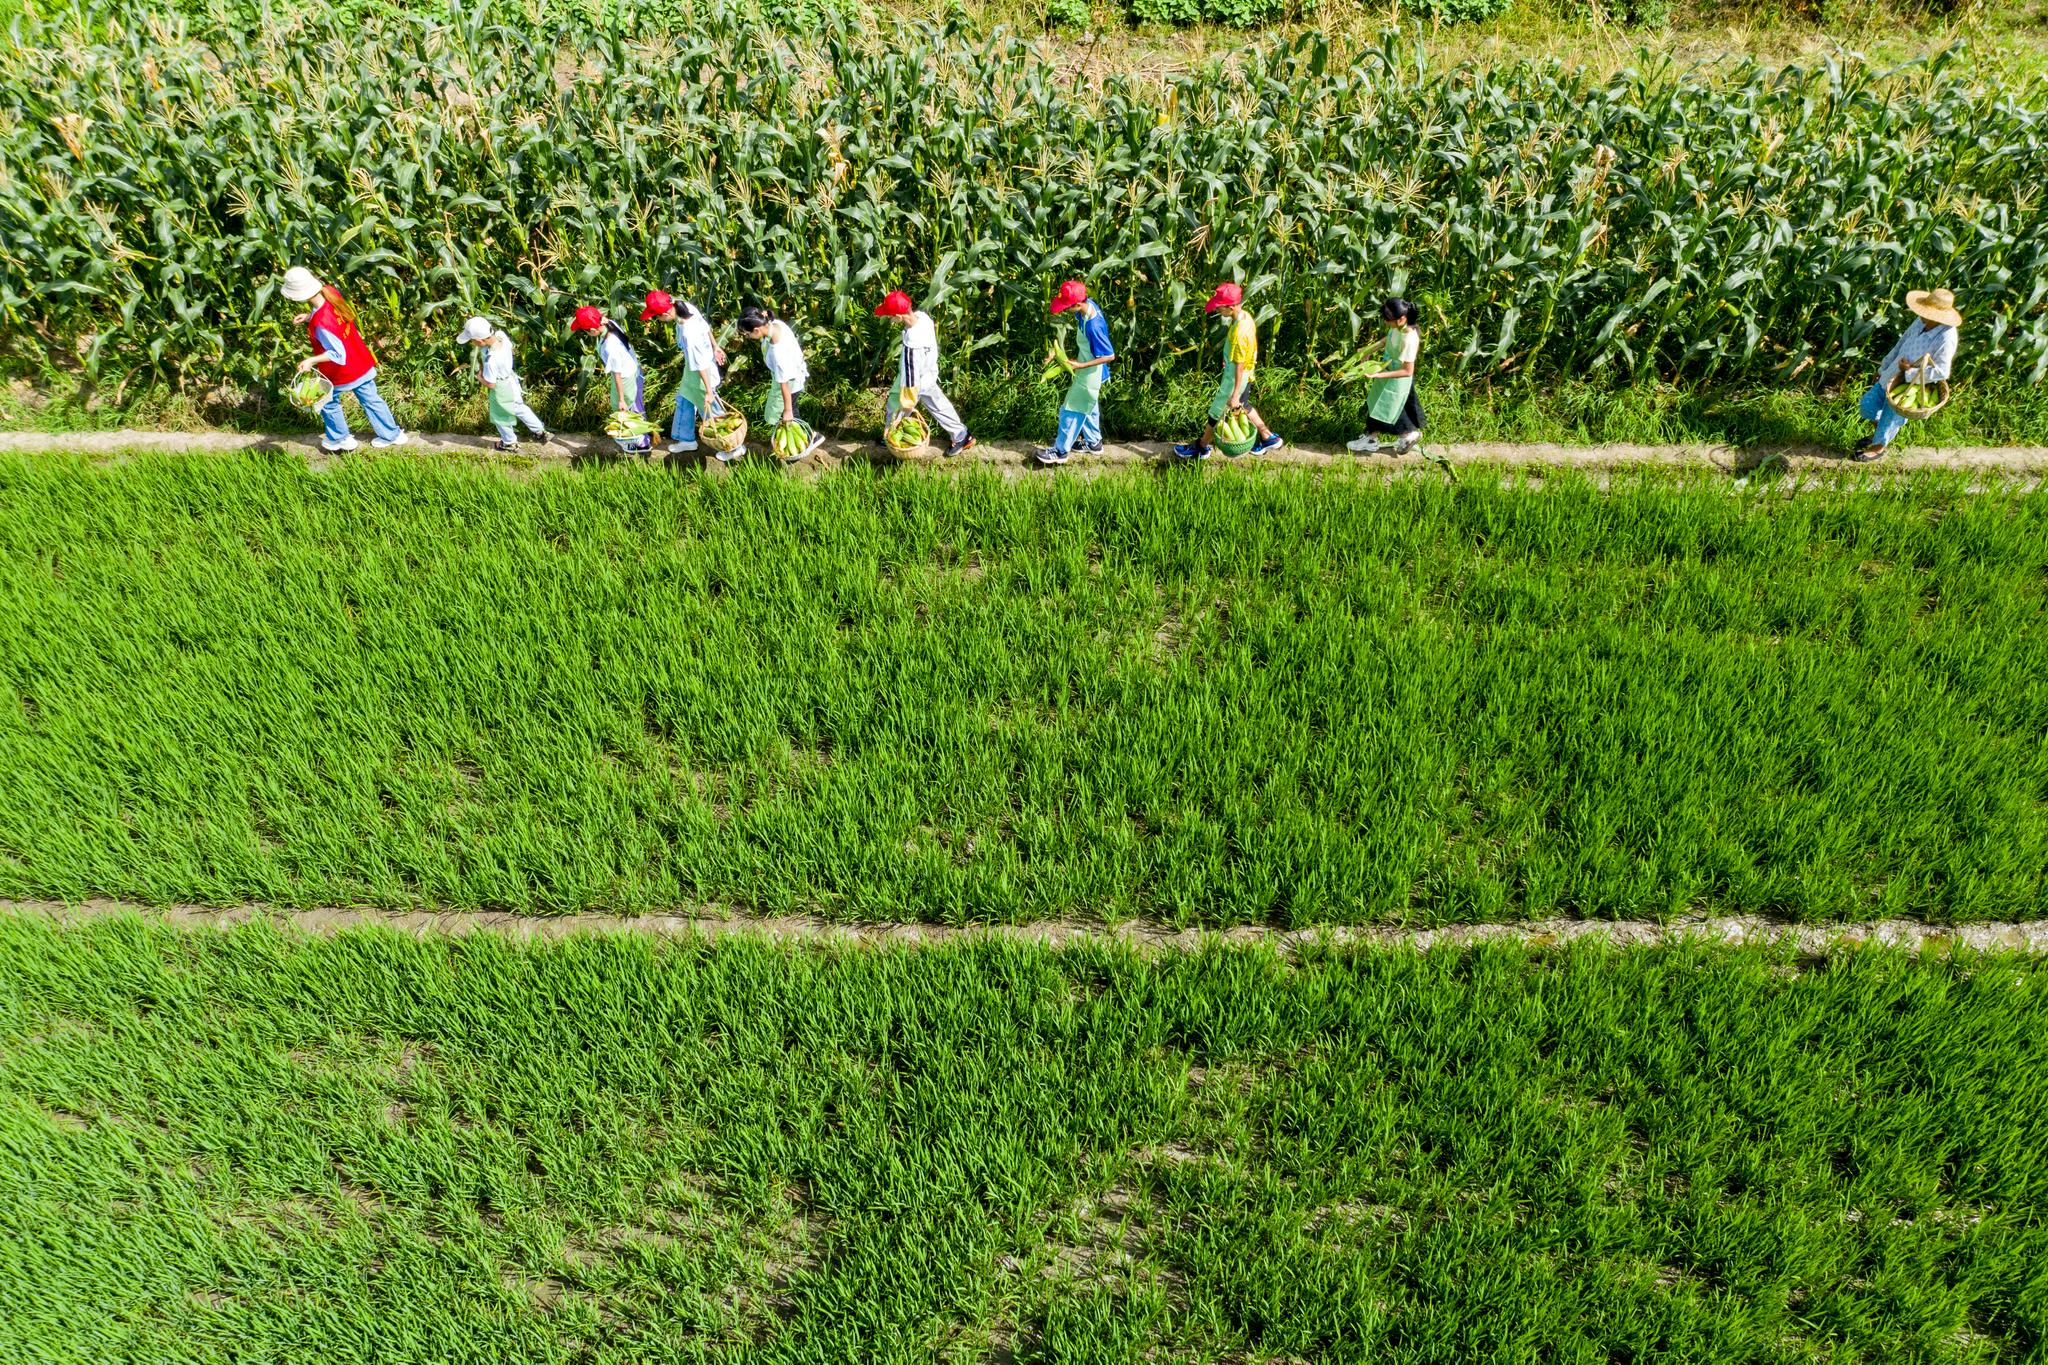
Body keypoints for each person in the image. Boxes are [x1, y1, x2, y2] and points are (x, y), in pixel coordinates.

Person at [279, 266, 407, 451]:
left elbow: (338, 355)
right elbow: (332, 318)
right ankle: (392, 434)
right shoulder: (329, 292)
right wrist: (309, 317)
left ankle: (340, 439)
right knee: (372, 400)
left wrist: (311, 361)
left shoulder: (322, 325)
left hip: (343, 372)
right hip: (361, 361)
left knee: (327, 402)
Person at [1173, 282, 1282, 461]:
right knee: (1245, 406)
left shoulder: (1239, 332)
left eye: (1220, 308)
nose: (1218, 311)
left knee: (1216, 412)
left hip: (1235, 378)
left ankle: (1201, 448)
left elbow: (1239, 365)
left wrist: (1234, 395)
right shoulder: (1246, 317)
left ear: (1230, 308)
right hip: (1247, 370)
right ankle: (1267, 436)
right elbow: (1250, 349)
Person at [1855, 288, 1961, 461]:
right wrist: (1883, 368)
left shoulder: (1946, 336)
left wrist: (1909, 372)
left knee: (1891, 417)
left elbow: (1942, 371)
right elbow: (1900, 345)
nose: (1921, 313)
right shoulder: (1920, 321)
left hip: (1912, 385)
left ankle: (1879, 447)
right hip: (1891, 374)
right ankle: (1880, 434)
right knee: (1868, 406)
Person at [875, 289, 975, 458]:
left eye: (889, 315)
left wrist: (908, 401)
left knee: (897, 404)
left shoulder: (911, 348)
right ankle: (962, 435)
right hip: (929, 370)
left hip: (915, 381)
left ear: (898, 317)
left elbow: (910, 379)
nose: (888, 318)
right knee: (938, 405)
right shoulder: (923, 318)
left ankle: (891, 436)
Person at [1035, 279, 1115, 467]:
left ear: (1078, 304)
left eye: (1066, 307)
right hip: (1089, 370)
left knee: (1071, 410)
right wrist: (1056, 352)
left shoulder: (1093, 325)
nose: (1064, 310)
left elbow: (1109, 355)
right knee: (1089, 405)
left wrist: (1080, 365)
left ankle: (1061, 451)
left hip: (1091, 373)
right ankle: (1094, 443)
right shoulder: (1086, 308)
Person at [639, 289, 728, 458]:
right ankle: (686, 440)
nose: (657, 320)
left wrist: (709, 391)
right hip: (693, 369)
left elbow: (700, 364)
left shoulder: (689, 333)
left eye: (657, 317)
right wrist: (715, 346)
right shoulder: (684, 307)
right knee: (684, 400)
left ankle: (731, 446)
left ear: (665, 313)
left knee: (711, 410)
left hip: (702, 374)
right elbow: (706, 327)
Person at [737, 306, 823, 462]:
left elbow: (784, 384)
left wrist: (787, 410)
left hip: (790, 382)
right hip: (790, 375)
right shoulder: (775, 324)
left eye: (747, 334)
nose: (747, 336)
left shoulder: (778, 352)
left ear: (756, 330)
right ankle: (802, 442)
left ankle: (802, 445)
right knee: (788, 413)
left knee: (789, 413)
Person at [458, 316, 549, 452]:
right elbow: (505, 347)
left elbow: (491, 384)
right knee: (519, 407)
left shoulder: (491, 360)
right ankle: (540, 431)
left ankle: (509, 442)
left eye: (472, 341)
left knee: (500, 416)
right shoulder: (501, 336)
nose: (472, 344)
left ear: (479, 340)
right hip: (511, 381)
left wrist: (479, 378)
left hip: (501, 388)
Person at [570, 305, 653, 454]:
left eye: (584, 331)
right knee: (636, 407)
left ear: (593, 331)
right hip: (634, 370)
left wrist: (621, 398)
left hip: (625, 378)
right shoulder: (610, 324)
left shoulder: (610, 346)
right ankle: (644, 438)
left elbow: (617, 373)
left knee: (625, 411)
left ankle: (640, 444)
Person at [1346, 299, 1425, 455]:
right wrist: (1367, 350)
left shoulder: (1409, 339)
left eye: (1389, 320)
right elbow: (1386, 340)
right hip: (1387, 374)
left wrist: (1378, 374)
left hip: (1397, 380)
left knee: (1390, 410)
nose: (1386, 323)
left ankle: (1408, 435)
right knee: (1377, 406)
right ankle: (1371, 438)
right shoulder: (1398, 328)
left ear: (1401, 319)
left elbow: (1408, 371)